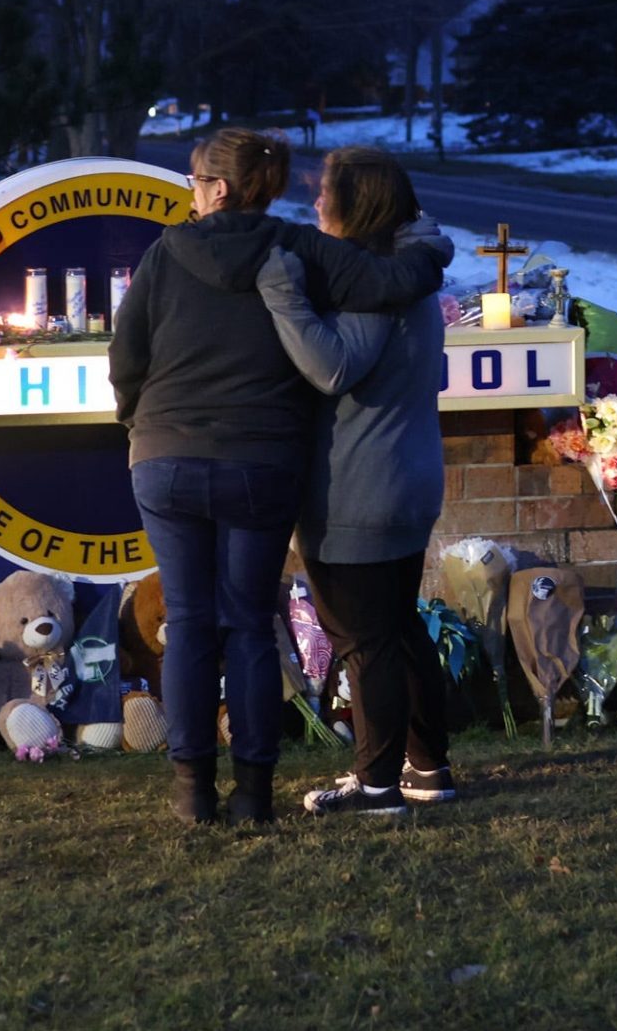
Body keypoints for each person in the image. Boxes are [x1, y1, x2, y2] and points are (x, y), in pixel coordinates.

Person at [108, 126, 448, 825]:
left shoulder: (166, 252)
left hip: (165, 458)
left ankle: (192, 791)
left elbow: (125, 355)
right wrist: (430, 245)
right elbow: (392, 280)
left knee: (191, 623)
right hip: (260, 462)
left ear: (221, 188)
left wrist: (139, 423)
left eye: (197, 181)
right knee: (251, 627)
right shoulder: (299, 248)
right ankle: (253, 795)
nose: (192, 193)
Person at [256, 146, 456, 816]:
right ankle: (427, 767)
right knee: (398, 628)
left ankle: (376, 785)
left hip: (362, 487)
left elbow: (333, 366)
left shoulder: (374, 281)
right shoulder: (406, 270)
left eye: (325, 192)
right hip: (407, 475)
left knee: (365, 640)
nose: (315, 204)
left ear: (359, 201)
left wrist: (282, 291)